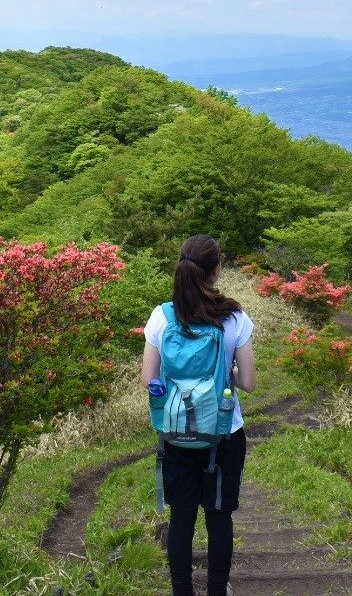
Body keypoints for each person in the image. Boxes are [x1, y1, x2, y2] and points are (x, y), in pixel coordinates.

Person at [141, 234, 256, 596]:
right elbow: (249, 382)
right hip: (223, 432)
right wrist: (228, 375)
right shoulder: (235, 316)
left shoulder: (162, 316)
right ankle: (218, 591)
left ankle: (182, 592)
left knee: (182, 519)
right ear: (216, 271)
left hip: (176, 432)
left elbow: (149, 379)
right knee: (219, 517)